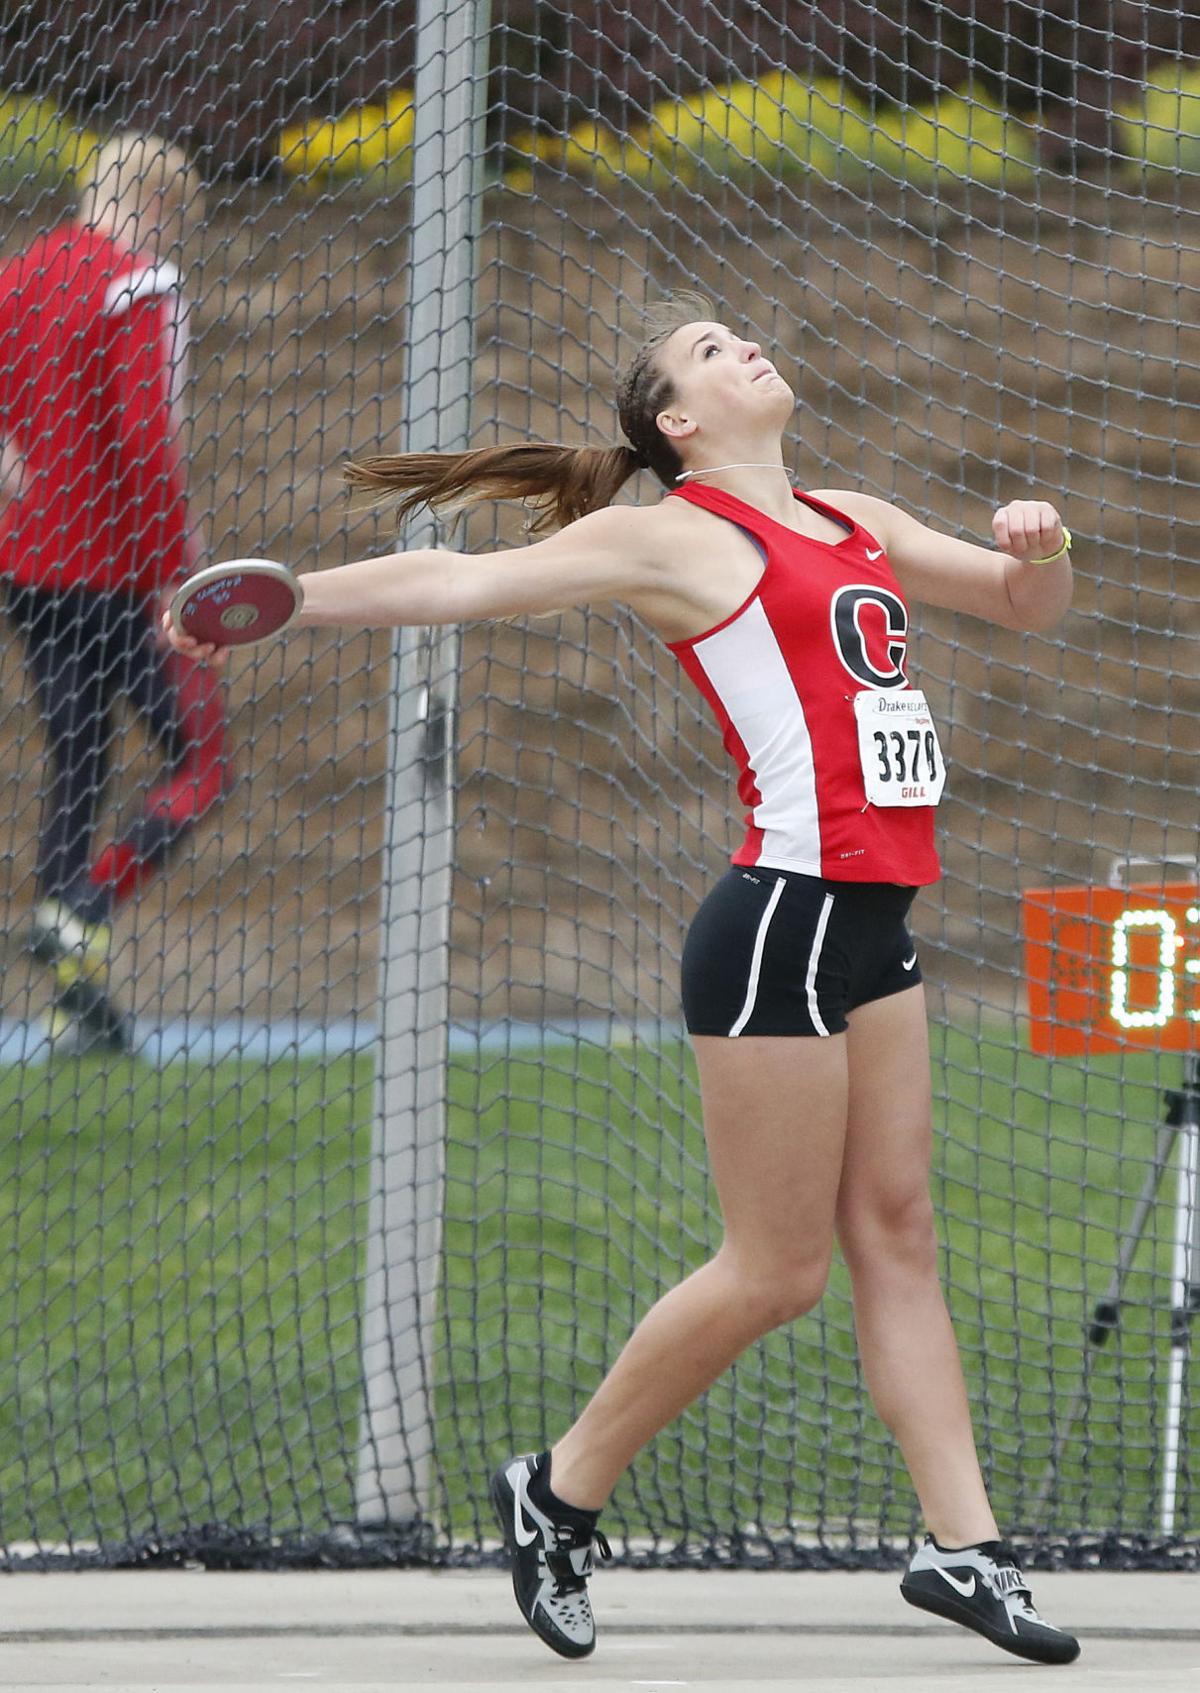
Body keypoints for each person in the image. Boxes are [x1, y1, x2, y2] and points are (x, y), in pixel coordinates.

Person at [164, 296, 1079, 1667]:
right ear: (677, 423)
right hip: (777, 921)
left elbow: (1022, 606)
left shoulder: (853, 515)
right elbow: (462, 586)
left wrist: (1043, 543)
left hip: (874, 923)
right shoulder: (673, 535)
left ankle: (967, 1549)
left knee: (899, 1231)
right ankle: (559, 1486)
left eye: (741, 334)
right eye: (709, 350)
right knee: (775, 1272)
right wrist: (292, 601)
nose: (744, 346)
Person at [0, 131, 229, 1053]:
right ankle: (83, 906)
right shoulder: (141, 286)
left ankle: (74, 1007)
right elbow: (146, 441)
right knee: (202, 765)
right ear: (162, 206)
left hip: (25, 570)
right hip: (117, 576)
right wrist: (180, 572)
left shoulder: (21, 274)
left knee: (79, 766)